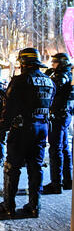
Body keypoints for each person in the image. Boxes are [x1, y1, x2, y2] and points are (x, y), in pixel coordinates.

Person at [0, 48, 55, 218]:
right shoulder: (49, 81)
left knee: (12, 168)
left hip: (22, 129)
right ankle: (35, 206)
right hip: (42, 129)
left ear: (23, 63)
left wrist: (2, 130)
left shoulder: (20, 81)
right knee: (36, 167)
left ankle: (9, 205)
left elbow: (8, 109)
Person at [43, 53, 74, 194]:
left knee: (55, 149)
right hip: (64, 114)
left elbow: (51, 91)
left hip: (58, 115)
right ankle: (67, 181)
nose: (52, 64)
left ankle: (56, 183)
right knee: (64, 148)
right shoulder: (68, 75)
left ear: (60, 63)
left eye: (54, 62)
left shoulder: (60, 76)